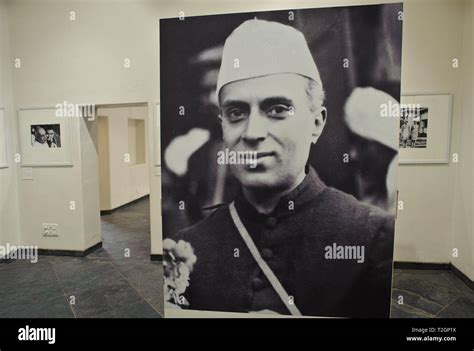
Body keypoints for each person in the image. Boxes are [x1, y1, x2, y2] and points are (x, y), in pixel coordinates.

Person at [172, 19, 395, 318]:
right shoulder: (190, 248)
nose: (252, 132)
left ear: (317, 123)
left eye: (277, 109)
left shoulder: (372, 237)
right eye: (236, 113)